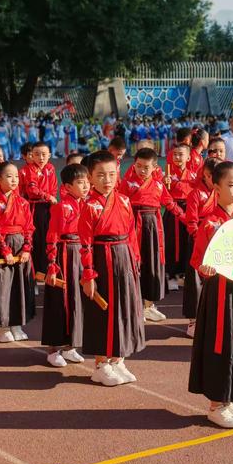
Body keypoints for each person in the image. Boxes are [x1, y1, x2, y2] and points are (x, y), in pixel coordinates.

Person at [188, 161, 233, 429]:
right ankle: (217, 404)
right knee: (221, 344)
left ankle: (232, 399)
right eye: (231, 185)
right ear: (216, 187)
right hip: (219, 294)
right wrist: (205, 269)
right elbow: (198, 259)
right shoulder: (210, 223)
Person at [79, 151, 145, 386]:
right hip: (101, 260)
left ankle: (117, 359)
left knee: (124, 308)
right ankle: (100, 364)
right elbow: (85, 243)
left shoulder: (125, 200)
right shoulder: (89, 206)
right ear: (90, 177)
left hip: (124, 258)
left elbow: (131, 234)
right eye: (100, 175)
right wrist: (88, 274)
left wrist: (135, 260)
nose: (107, 180)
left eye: (111, 174)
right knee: (103, 312)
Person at [119, 148, 185, 322]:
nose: (141, 170)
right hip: (134, 225)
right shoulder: (127, 183)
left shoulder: (158, 184)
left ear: (155, 167)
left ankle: (149, 305)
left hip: (154, 226)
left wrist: (186, 218)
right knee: (135, 263)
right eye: (138, 166)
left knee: (152, 263)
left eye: (146, 167)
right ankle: (135, 306)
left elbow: (169, 203)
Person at [0, 162, 36, 342]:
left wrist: (27, 248)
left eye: (16, 176)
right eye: (9, 176)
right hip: (2, 247)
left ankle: (17, 324)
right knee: (3, 287)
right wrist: (5, 251)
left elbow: (29, 228)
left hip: (20, 245)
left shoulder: (23, 202)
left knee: (20, 286)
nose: (14, 180)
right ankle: (3, 327)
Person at [42, 164, 90, 367]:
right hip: (64, 254)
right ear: (68, 187)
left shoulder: (87, 205)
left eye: (88, 181)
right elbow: (52, 235)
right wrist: (52, 263)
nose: (86, 186)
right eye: (80, 183)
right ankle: (53, 349)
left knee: (78, 300)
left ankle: (71, 346)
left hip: (81, 253)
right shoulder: (61, 207)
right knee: (60, 300)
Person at [184, 157, 219, 338]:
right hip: (199, 240)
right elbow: (191, 221)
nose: (211, 179)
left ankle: (212, 318)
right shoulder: (196, 194)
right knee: (196, 282)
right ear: (204, 175)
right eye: (208, 176)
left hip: (218, 240)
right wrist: (201, 238)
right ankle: (193, 321)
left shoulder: (222, 193)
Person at [163, 143, 197, 291]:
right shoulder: (168, 176)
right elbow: (163, 196)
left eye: (181, 154)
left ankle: (183, 274)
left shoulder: (193, 176)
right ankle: (171, 275)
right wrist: (165, 183)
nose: (177, 157)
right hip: (173, 212)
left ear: (188, 157)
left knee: (186, 242)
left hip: (188, 211)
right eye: (175, 154)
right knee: (171, 243)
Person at [24, 142, 58, 273]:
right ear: (32, 156)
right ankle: (35, 270)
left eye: (44, 154)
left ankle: (48, 267)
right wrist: (48, 197)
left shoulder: (50, 168)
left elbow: (54, 187)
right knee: (36, 237)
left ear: (49, 155)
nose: (41, 158)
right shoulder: (29, 169)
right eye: (37, 154)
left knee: (49, 236)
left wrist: (51, 199)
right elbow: (32, 190)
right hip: (35, 207)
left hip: (49, 206)